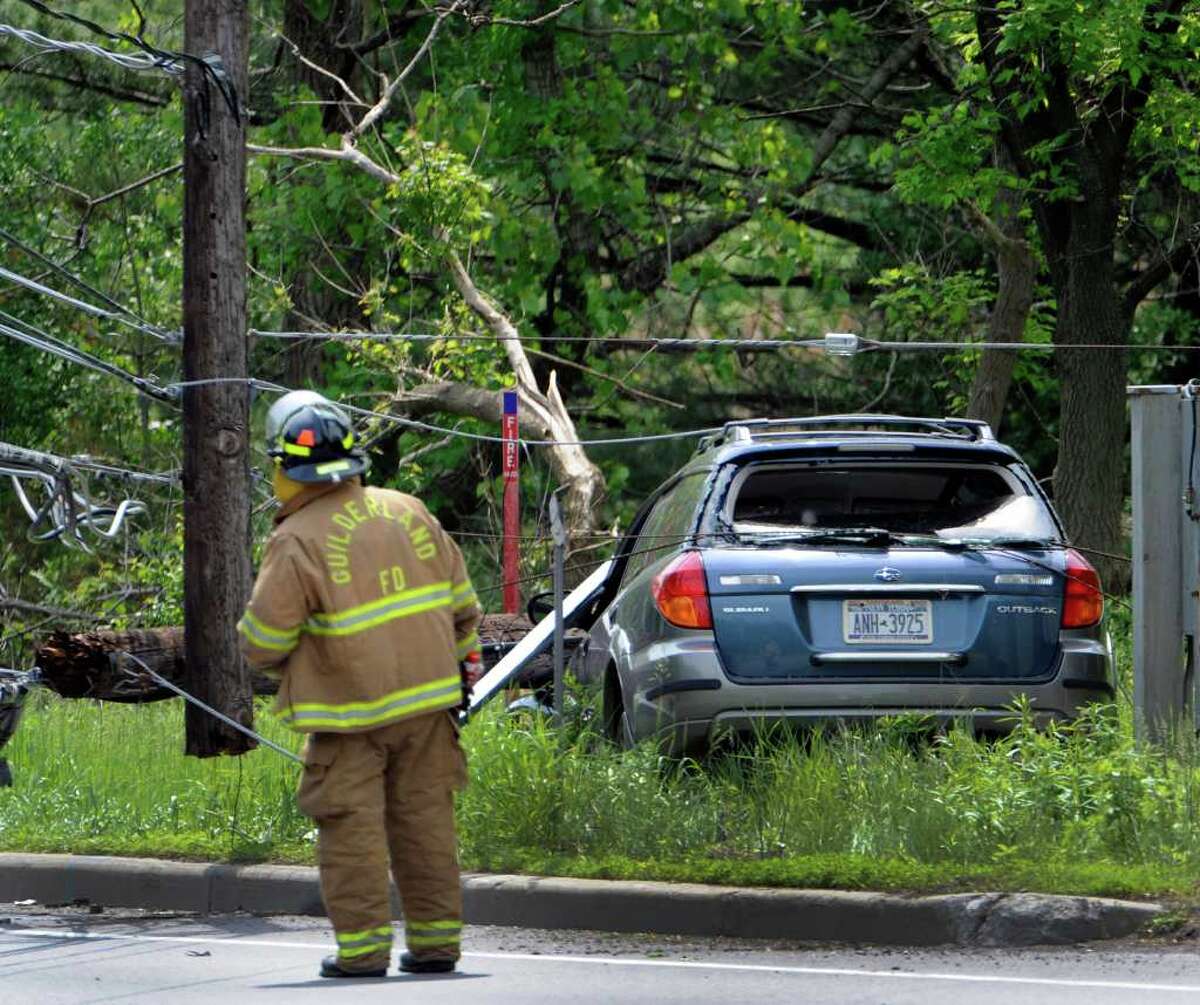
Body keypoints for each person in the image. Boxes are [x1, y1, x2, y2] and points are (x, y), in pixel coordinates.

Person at [238, 389, 482, 979]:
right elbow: (462, 608)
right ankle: (436, 945)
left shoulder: (295, 541)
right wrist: (453, 667)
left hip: (349, 718)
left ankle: (364, 951)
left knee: (351, 829)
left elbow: (262, 644)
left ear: (285, 468)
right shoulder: (407, 510)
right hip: (429, 708)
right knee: (425, 822)